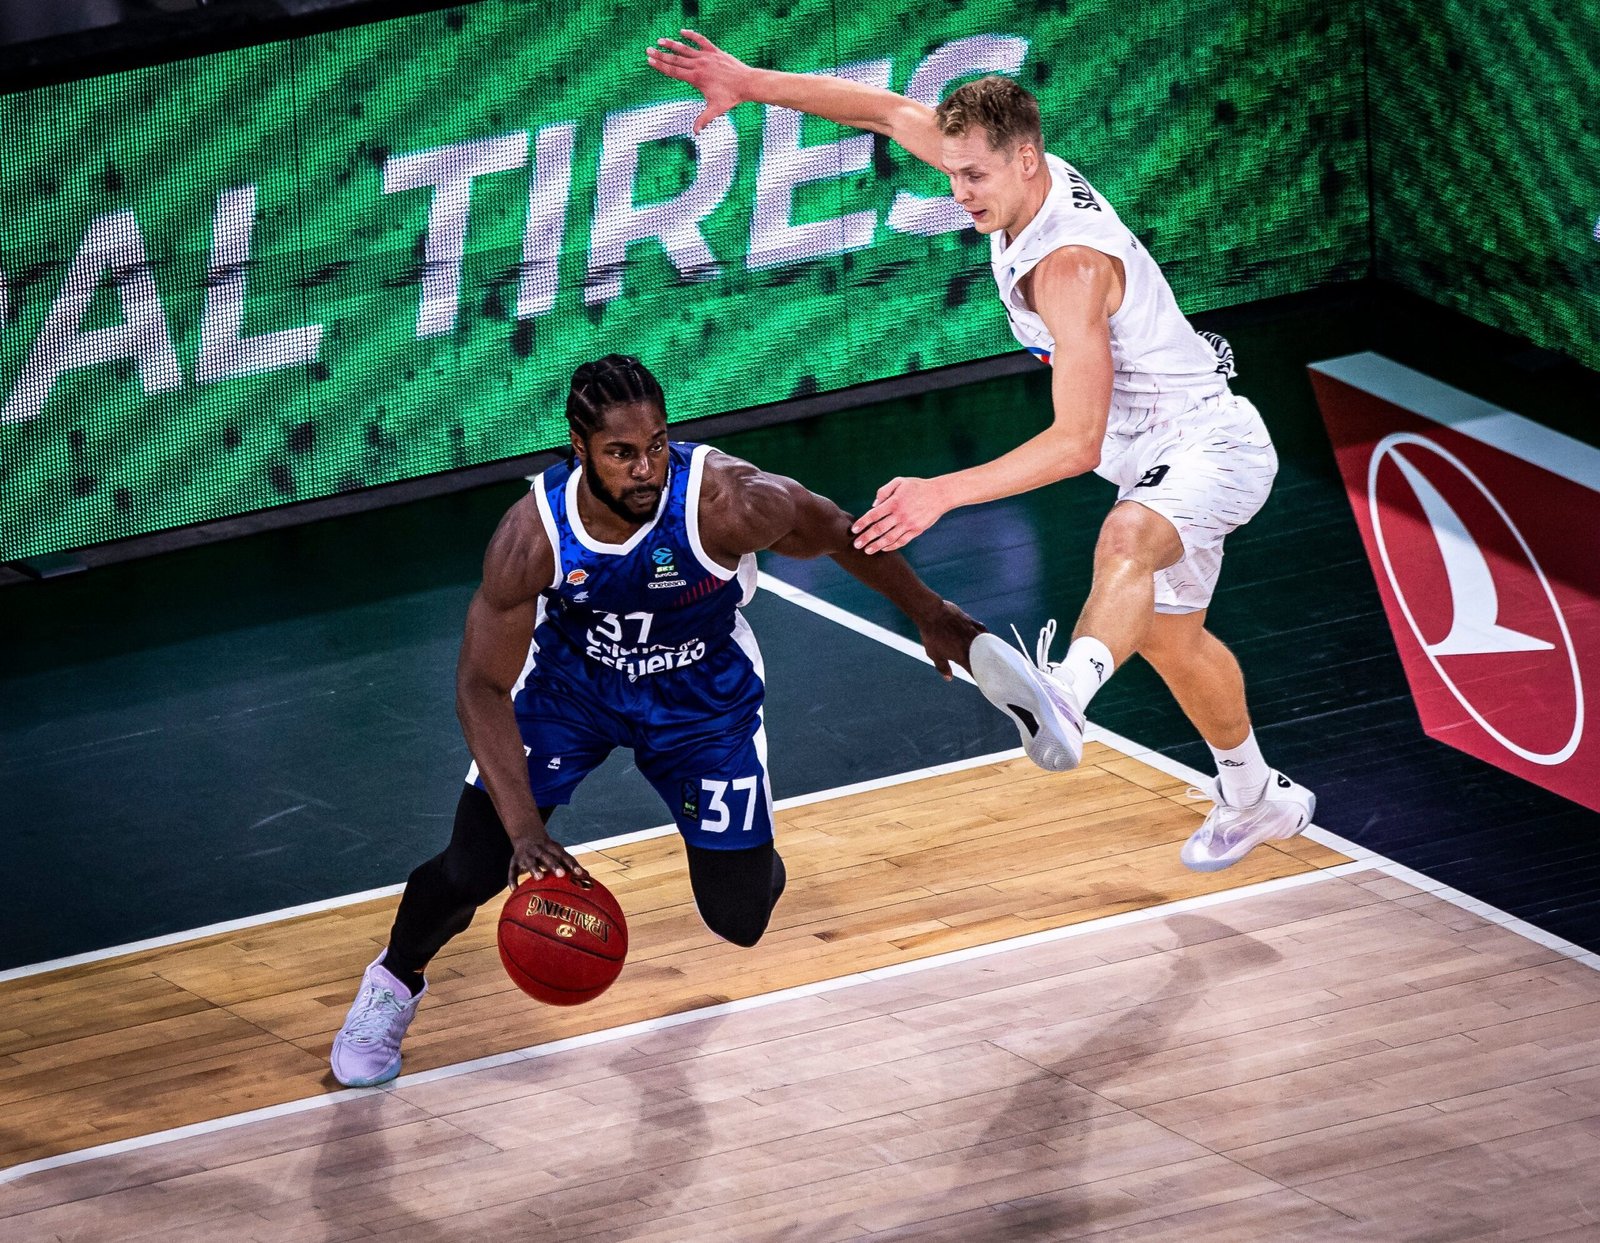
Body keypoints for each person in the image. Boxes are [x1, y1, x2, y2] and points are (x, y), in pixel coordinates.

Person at [647, 34, 1315, 874]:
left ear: (1028, 159)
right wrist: (746, 82)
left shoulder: (1069, 267)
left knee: (1126, 540)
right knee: (1172, 642)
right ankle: (1257, 796)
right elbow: (887, 112)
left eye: (975, 177)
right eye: (954, 173)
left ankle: (1065, 698)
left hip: (1210, 443)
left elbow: (1075, 442)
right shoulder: (1001, 169)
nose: (959, 193)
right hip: (1151, 455)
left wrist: (941, 493)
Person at [330, 354, 981, 1087]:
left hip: (700, 697)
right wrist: (524, 830)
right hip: (573, 693)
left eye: (656, 445)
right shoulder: (532, 536)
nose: (645, 468)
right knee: (472, 865)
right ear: (579, 449)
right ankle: (392, 982)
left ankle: (746, 837)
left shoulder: (727, 502)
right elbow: (482, 686)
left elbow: (835, 529)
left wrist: (932, 613)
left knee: (741, 918)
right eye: (621, 453)